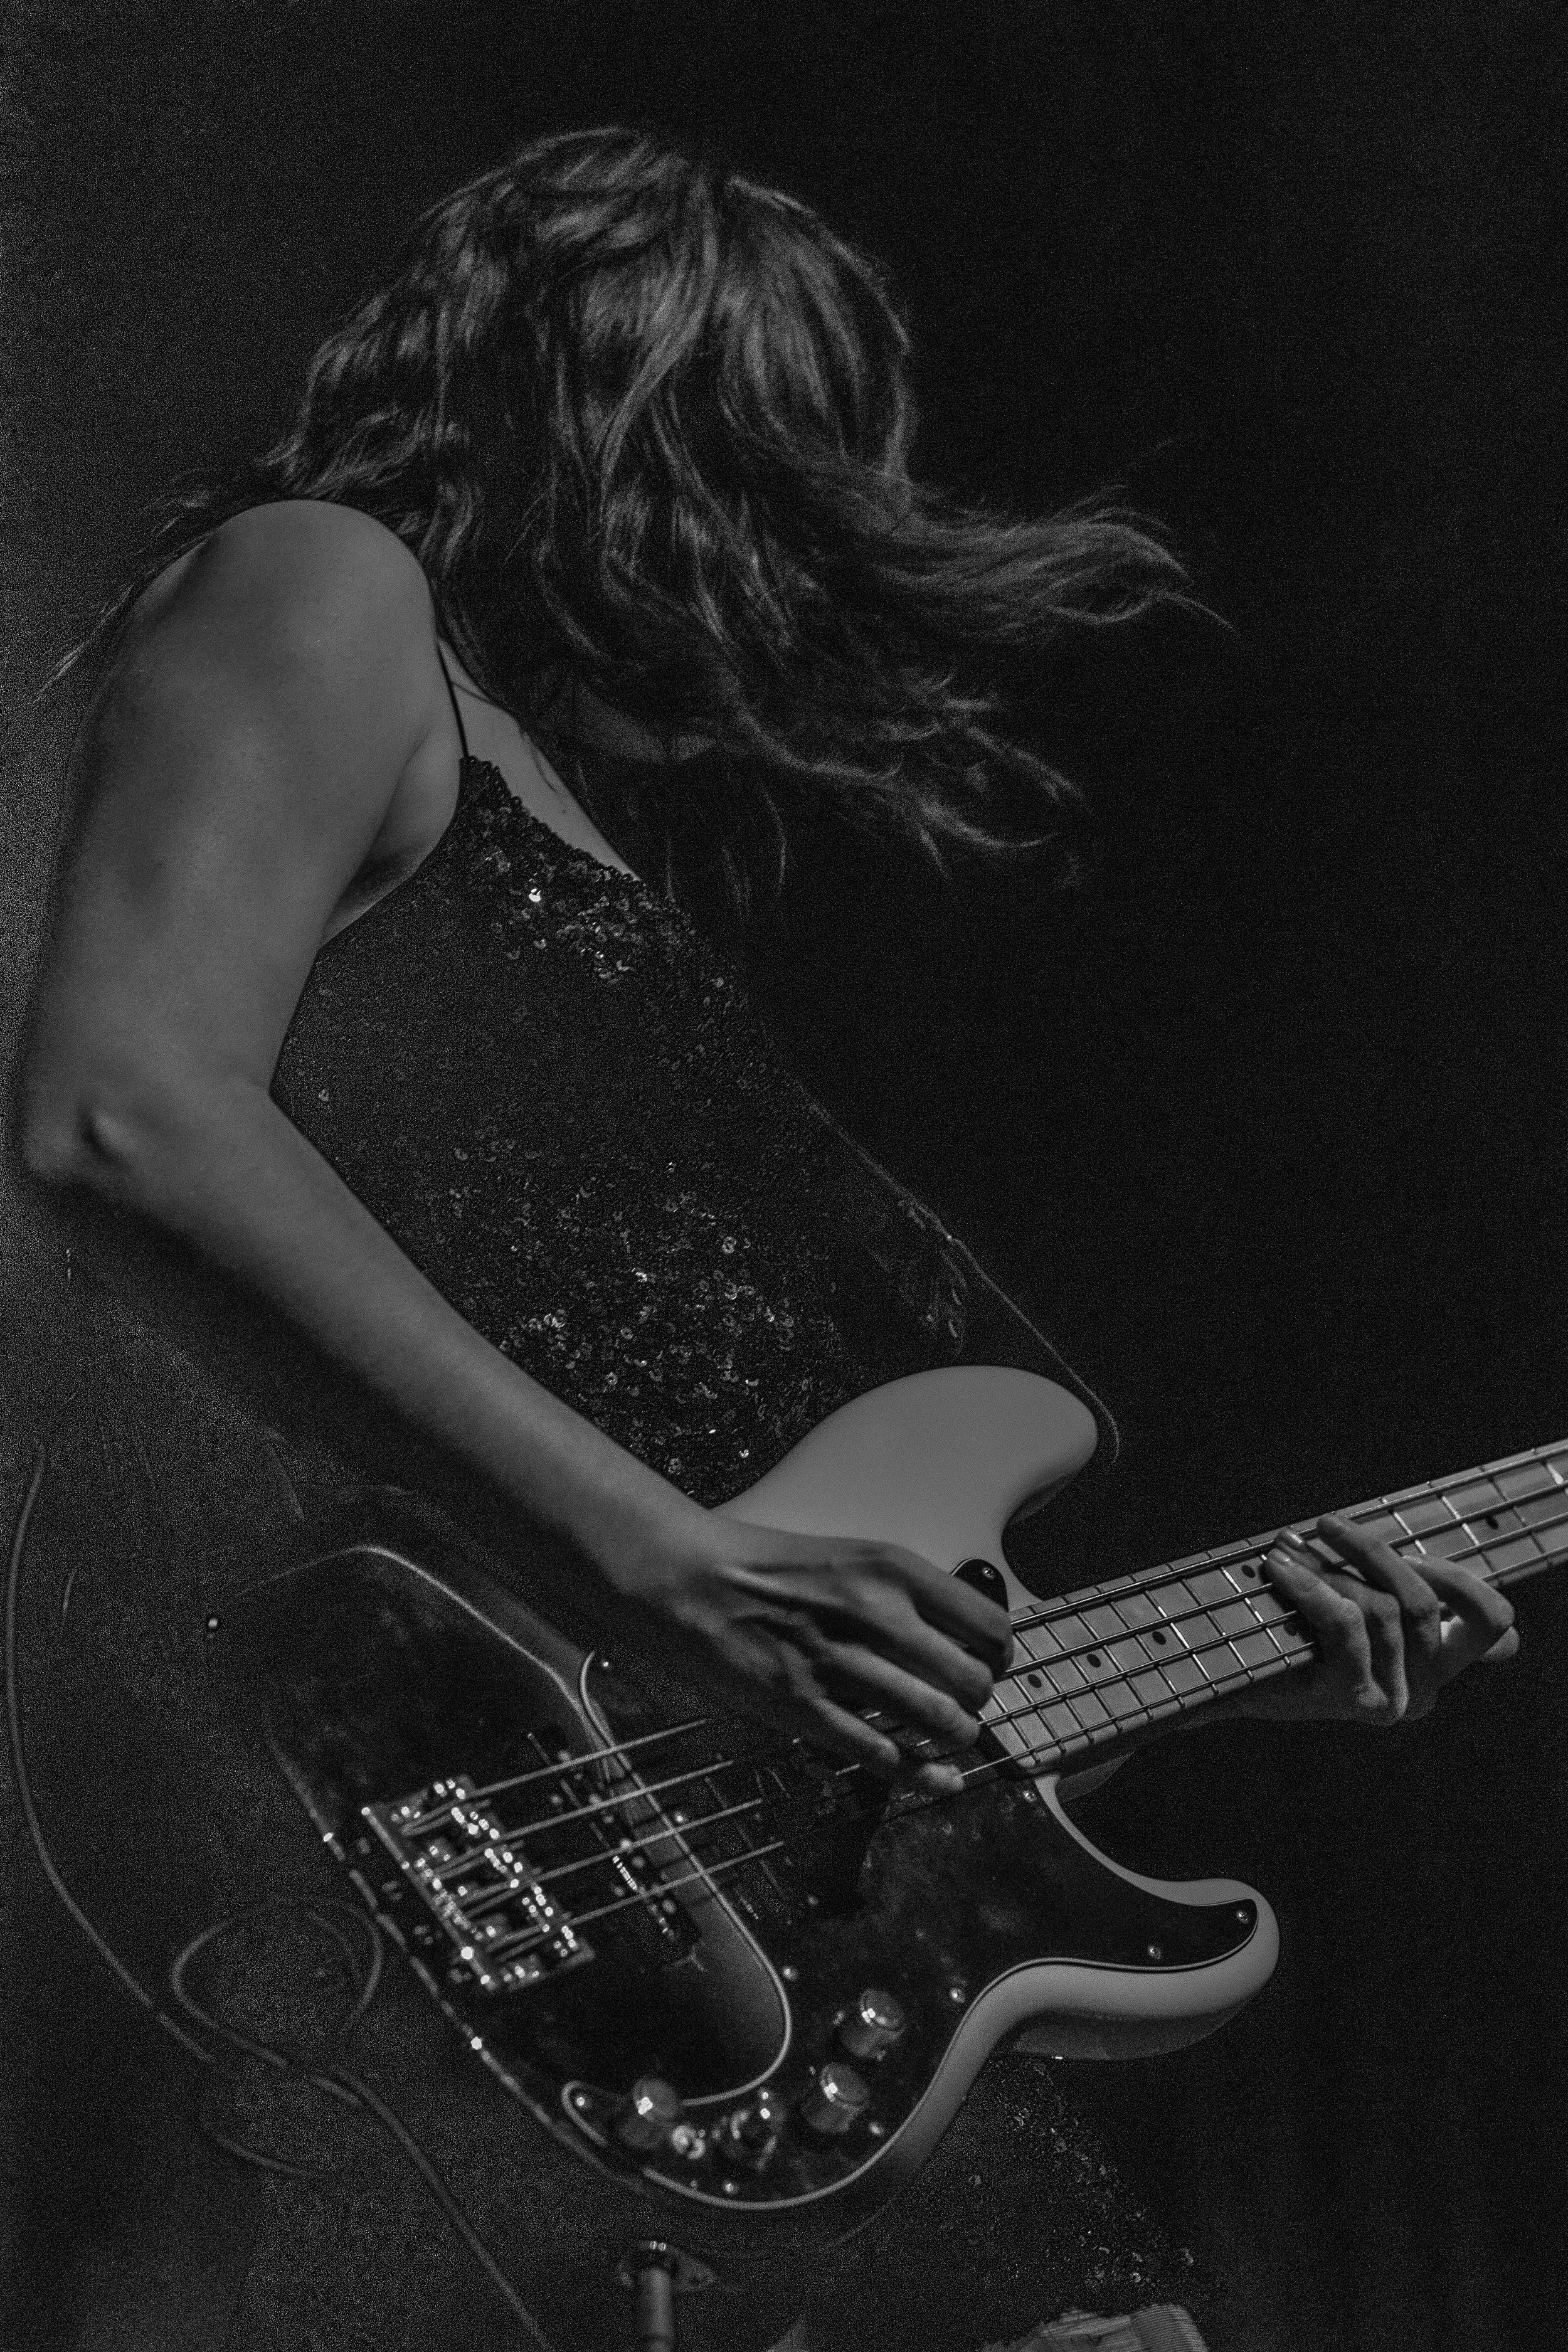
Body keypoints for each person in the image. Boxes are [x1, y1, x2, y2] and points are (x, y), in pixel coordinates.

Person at [18, 127, 1517, 2351]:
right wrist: (662, 1565)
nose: (787, 577)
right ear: (629, 420)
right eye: (769, 484)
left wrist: (1218, 1663)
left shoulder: (545, 783)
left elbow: (823, 1729)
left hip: (742, 1992)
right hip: (384, 1844)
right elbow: (126, 1118)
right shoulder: (320, 585)